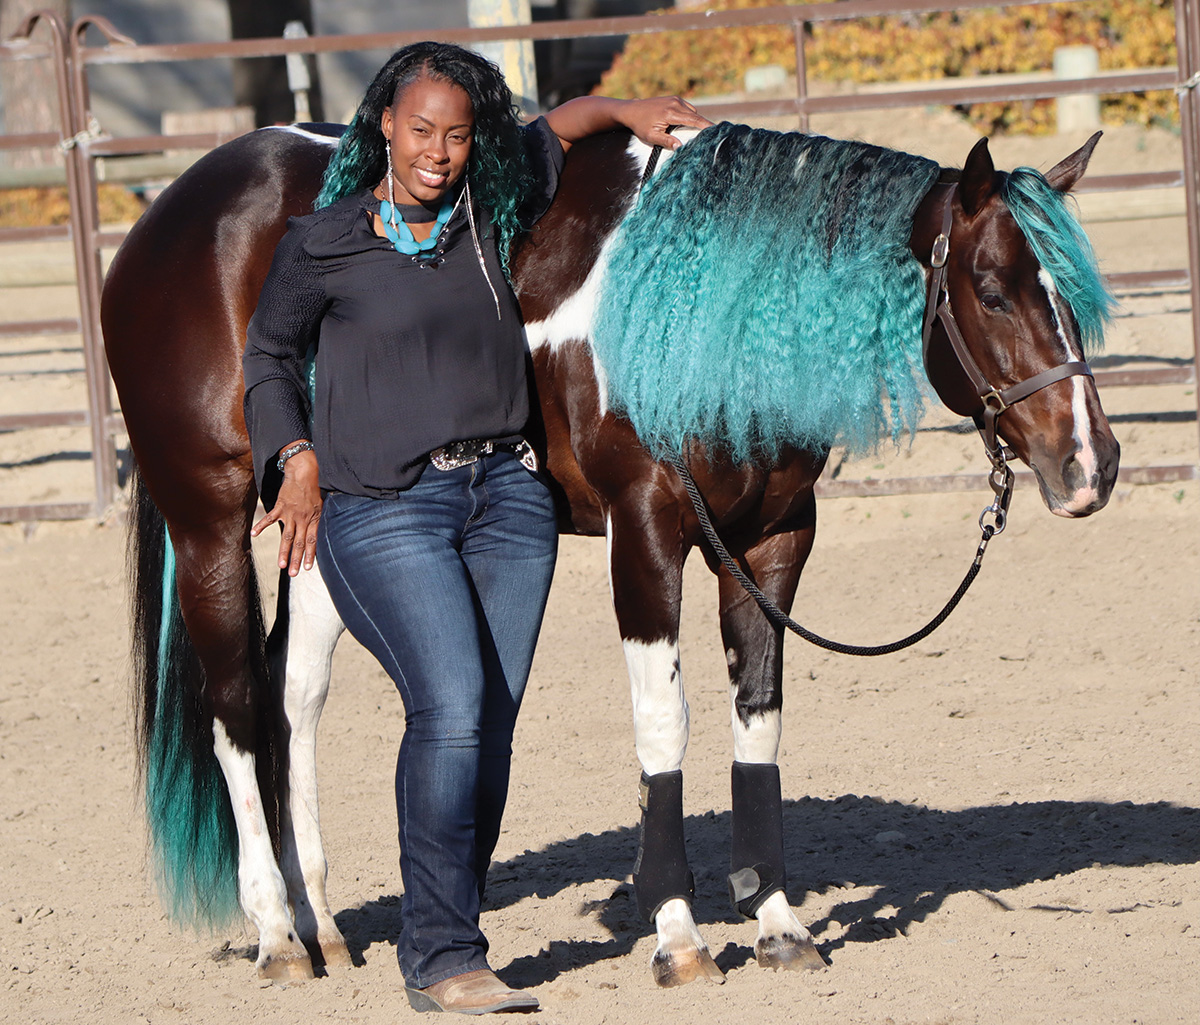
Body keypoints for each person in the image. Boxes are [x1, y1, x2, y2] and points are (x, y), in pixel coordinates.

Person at [242, 41, 709, 1015]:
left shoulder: (495, 208)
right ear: (385, 126)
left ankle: (447, 927)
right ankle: (444, 952)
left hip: (508, 506)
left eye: (456, 135)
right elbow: (269, 355)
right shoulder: (323, 239)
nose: (438, 151)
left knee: (486, 727)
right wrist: (295, 456)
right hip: (381, 508)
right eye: (421, 130)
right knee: (451, 703)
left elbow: (557, 127)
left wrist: (625, 107)